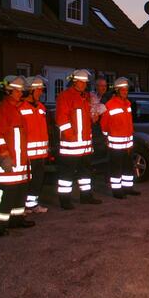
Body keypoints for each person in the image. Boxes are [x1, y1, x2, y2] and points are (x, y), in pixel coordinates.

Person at [0, 75, 35, 236]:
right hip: (6, 165)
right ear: (8, 91)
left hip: (20, 164)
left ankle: (16, 220)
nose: (21, 93)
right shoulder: (0, 110)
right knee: (4, 196)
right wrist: (3, 156)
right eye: (17, 91)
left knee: (19, 194)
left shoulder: (17, 109)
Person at [56, 69, 102, 209]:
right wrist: (71, 137)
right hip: (71, 146)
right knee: (67, 175)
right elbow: (61, 120)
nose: (84, 85)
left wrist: (94, 117)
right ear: (74, 82)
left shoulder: (86, 97)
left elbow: (87, 119)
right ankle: (64, 201)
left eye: (85, 83)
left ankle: (86, 196)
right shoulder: (65, 96)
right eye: (81, 82)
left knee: (85, 173)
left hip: (85, 145)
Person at [100, 77, 139, 199]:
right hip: (115, 144)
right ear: (117, 91)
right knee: (116, 168)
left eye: (126, 90)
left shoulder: (127, 103)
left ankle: (128, 188)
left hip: (127, 143)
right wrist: (107, 136)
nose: (125, 92)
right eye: (122, 90)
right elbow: (104, 124)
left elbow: (129, 123)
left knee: (128, 167)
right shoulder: (110, 105)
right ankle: (116, 191)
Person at [19, 76, 49, 214]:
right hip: (26, 154)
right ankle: (22, 206)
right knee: (25, 182)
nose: (41, 92)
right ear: (30, 91)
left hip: (40, 154)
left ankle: (32, 205)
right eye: (38, 90)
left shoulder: (41, 107)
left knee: (37, 180)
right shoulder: (20, 107)